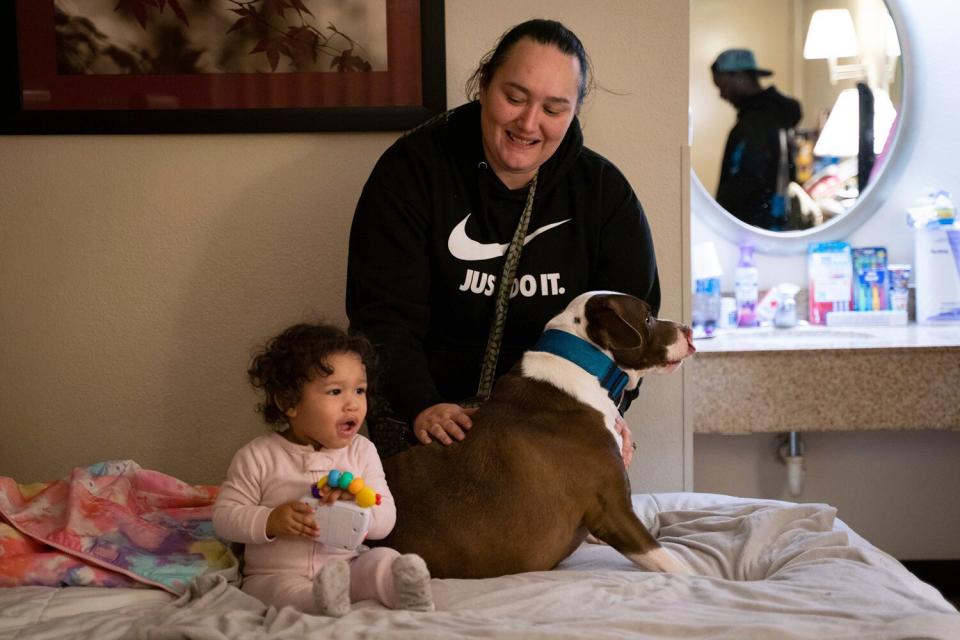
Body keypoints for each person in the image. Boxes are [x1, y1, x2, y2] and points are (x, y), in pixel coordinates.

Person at [346, 19, 660, 462]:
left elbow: (632, 329)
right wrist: (421, 403)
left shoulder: (604, 194)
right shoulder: (411, 172)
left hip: (556, 420)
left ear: (574, 112)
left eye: (554, 110)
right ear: (483, 84)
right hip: (429, 416)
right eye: (514, 98)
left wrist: (606, 407)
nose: (529, 123)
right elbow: (382, 318)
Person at [212, 323, 434, 617]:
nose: (353, 403)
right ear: (288, 402)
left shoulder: (362, 451)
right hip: (275, 574)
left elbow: (386, 522)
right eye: (335, 391)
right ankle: (318, 601)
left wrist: (358, 500)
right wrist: (269, 520)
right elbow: (224, 517)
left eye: (359, 390)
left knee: (382, 559)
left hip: (346, 566)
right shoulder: (258, 456)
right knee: (281, 593)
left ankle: (404, 589)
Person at [711, 48, 802, 230]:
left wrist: (724, 225)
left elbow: (746, 186)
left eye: (723, 86)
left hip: (751, 230)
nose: (722, 95)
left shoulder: (756, 123)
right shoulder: (775, 116)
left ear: (740, 76)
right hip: (772, 223)